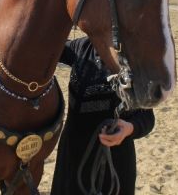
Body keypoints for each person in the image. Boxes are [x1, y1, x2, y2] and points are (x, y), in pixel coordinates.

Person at [51, 37, 155, 195]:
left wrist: (129, 129)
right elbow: (45, 45)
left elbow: (147, 117)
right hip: (72, 154)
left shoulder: (134, 58)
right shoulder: (80, 47)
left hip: (115, 162)